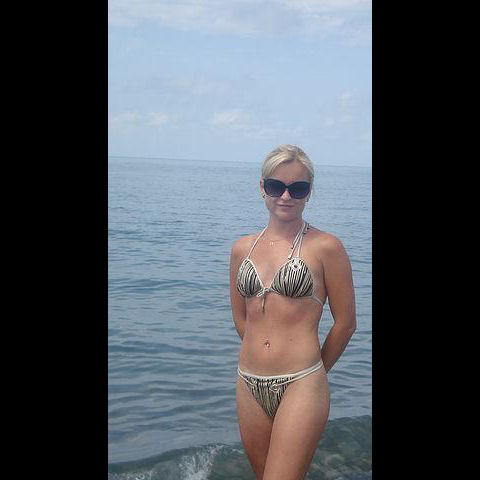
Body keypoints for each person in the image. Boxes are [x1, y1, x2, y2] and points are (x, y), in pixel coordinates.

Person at [229, 145, 356, 479]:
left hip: (302, 381)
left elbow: (345, 323)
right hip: (248, 382)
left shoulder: (326, 247)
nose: (285, 196)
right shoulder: (242, 249)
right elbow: (241, 318)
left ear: (308, 192)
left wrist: (315, 373)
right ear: (262, 187)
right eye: (276, 186)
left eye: (297, 188)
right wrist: (262, 352)